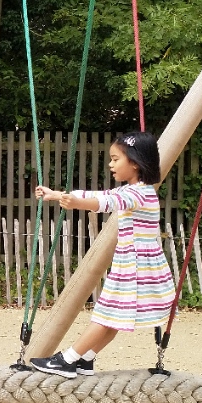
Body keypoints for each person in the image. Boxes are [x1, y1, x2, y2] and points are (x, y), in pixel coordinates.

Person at [29, 131, 174, 378]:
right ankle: (86, 358)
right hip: (135, 266)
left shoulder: (137, 193)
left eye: (116, 159)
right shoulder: (139, 190)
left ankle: (68, 359)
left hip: (134, 269)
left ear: (135, 163)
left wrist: (75, 203)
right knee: (114, 317)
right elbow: (103, 195)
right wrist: (58, 195)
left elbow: (104, 203)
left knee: (106, 315)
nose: (111, 164)